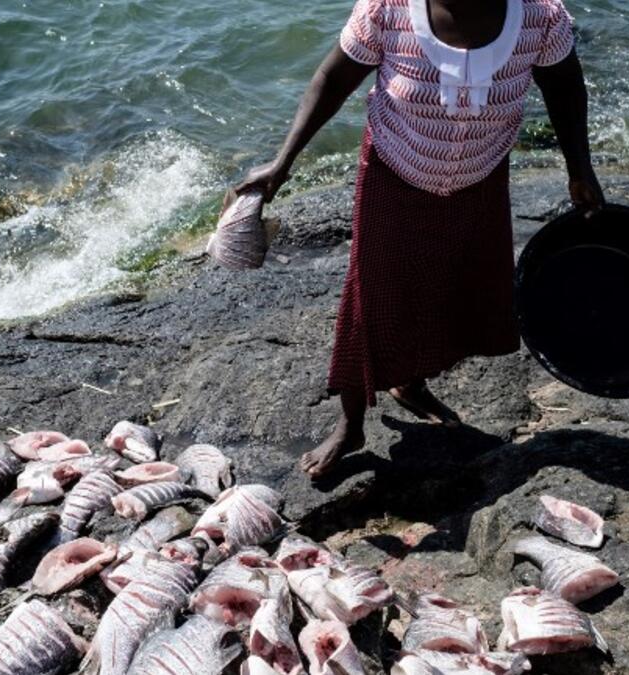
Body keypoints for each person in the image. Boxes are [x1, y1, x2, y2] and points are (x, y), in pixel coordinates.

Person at [231, 0, 604, 477]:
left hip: (481, 174)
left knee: (448, 289)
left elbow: (565, 87)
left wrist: (580, 166)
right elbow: (333, 80)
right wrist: (282, 161)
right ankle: (350, 425)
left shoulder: (541, 17)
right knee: (373, 297)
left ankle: (409, 381)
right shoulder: (387, 10)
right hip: (394, 169)